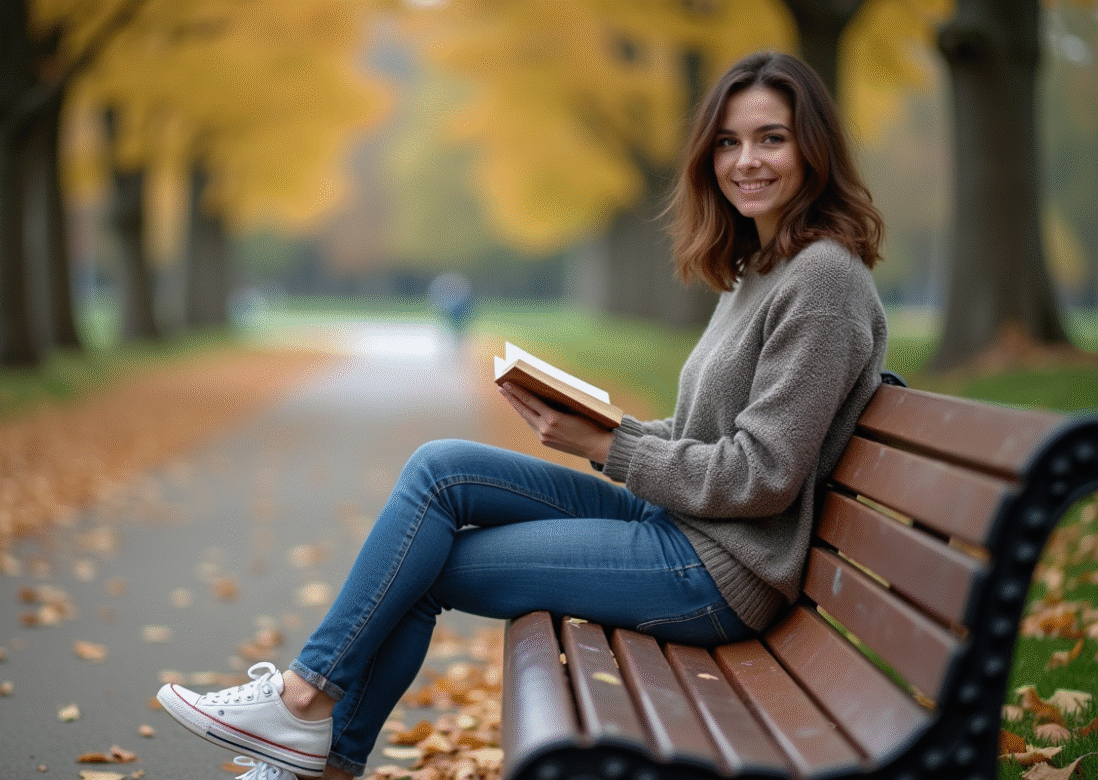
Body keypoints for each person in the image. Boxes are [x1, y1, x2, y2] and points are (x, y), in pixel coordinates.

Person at [156, 50, 888, 780]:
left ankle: (305, 711)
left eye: (771, 138)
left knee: (420, 566)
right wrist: (601, 427)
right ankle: (310, 729)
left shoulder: (822, 281)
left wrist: (609, 447)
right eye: (728, 142)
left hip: (719, 572)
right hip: (679, 529)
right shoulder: (759, 270)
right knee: (441, 470)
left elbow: (763, 474)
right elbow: (710, 435)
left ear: (813, 149)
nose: (745, 161)